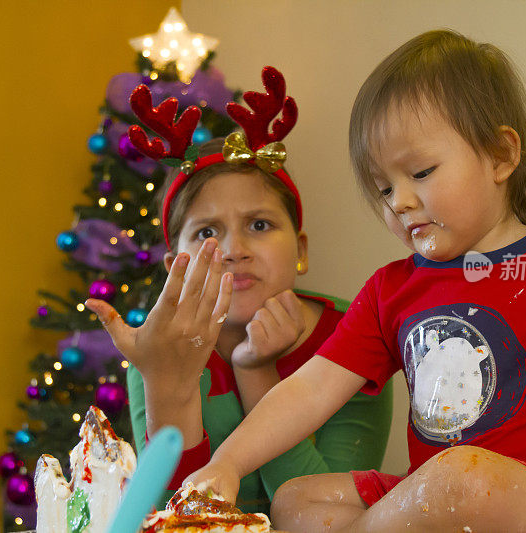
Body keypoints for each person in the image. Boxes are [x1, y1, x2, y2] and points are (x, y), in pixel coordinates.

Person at [184, 30, 526, 532]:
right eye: (384, 189)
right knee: (295, 502)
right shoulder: (390, 290)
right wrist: (227, 463)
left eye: (420, 172)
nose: (398, 202)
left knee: (461, 475)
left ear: (501, 156)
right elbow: (310, 390)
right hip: (437, 499)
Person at [85, 67, 392, 515]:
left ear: (301, 250)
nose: (233, 250)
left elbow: (328, 519)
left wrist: (256, 374)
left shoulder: (353, 338)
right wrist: (169, 385)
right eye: (208, 231)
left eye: (259, 224)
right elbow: (180, 514)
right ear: (176, 270)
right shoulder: (157, 353)